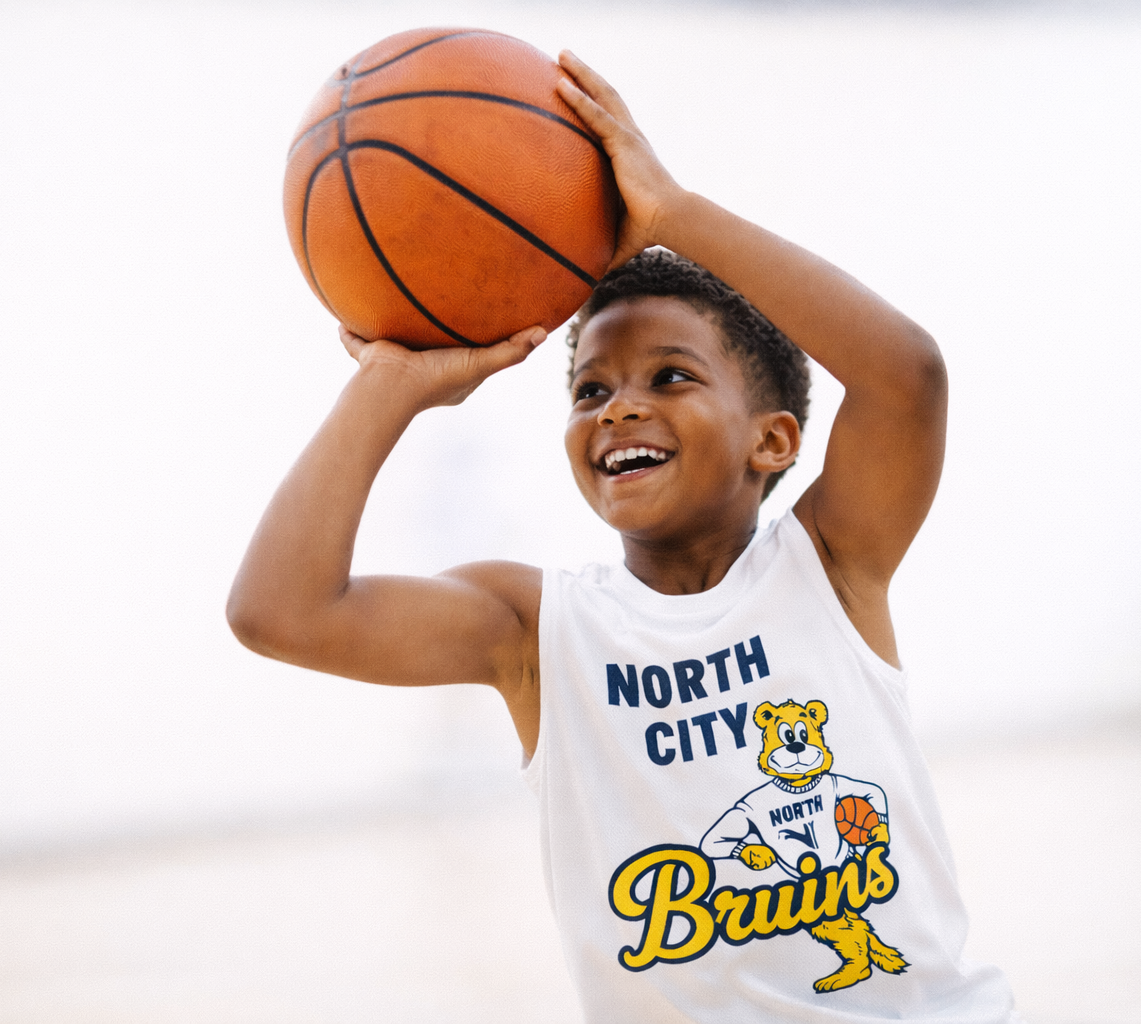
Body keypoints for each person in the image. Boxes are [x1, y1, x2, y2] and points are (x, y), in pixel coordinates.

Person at [227, 49, 1019, 1023]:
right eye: (590, 390)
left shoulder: (831, 564)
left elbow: (908, 376)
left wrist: (672, 214)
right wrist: (390, 385)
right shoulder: (538, 629)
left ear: (774, 440)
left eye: (669, 377)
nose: (617, 410)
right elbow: (278, 610)